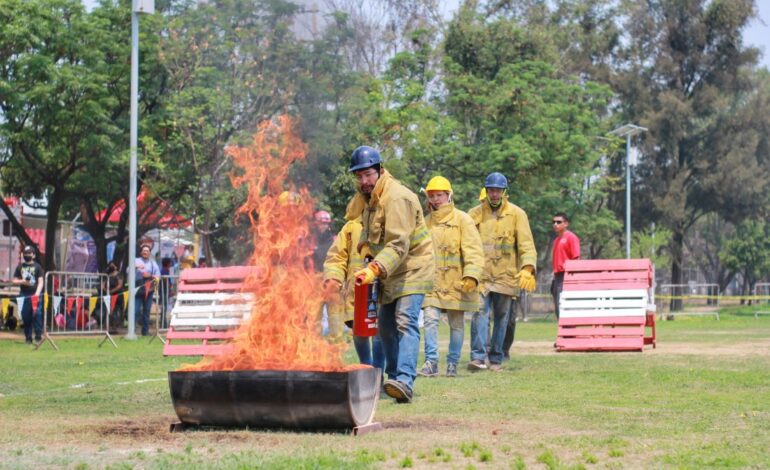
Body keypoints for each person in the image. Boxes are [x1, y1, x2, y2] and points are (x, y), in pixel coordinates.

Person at [347, 145, 434, 403]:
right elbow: (367, 233)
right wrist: (365, 251)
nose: (363, 181)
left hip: (413, 268)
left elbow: (398, 244)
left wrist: (374, 268)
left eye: (368, 175)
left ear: (380, 171)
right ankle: (395, 378)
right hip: (390, 272)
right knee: (385, 328)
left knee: (405, 321)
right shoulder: (370, 199)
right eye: (359, 176)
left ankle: (405, 380)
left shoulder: (397, 198)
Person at [468, 172, 537, 372]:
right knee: (479, 313)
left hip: (507, 276)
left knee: (502, 317)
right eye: (491, 190)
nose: (494, 194)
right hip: (482, 275)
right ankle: (478, 358)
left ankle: (496, 358)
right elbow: (467, 242)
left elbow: (526, 245)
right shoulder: (475, 213)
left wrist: (527, 268)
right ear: (486, 191)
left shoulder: (517, 214)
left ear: (504, 192)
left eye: (498, 190)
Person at [418, 176, 484, 378]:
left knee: (456, 324)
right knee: (429, 320)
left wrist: (472, 275)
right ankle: (431, 362)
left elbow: (474, 250)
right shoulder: (425, 222)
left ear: (449, 195)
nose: (436, 199)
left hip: (458, 282)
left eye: (440, 195)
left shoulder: (463, 219)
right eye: (432, 196)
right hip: (432, 282)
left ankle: (453, 363)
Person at [323, 207, 384, 368]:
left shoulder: (387, 223)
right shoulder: (351, 227)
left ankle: (378, 372)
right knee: (359, 332)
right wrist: (334, 276)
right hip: (357, 291)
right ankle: (366, 367)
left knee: (379, 333)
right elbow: (337, 256)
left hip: (382, 287)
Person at [12, 246, 44, 344]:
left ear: (33, 255)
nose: (27, 255)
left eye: (29, 253)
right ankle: (28, 338)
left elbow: (41, 282)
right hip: (24, 295)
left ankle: (38, 336)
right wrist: (23, 281)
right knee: (26, 317)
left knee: (37, 315)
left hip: (36, 294)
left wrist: (37, 294)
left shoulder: (38, 267)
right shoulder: (20, 267)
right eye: (25, 253)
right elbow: (14, 280)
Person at [551, 212, 580, 319]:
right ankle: (564, 334)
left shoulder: (571, 237)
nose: (555, 224)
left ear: (566, 223)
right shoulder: (556, 240)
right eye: (553, 222)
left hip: (566, 276)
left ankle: (569, 334)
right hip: (557, 276)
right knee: (558, 308)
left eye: (559, 222)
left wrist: (572, 278)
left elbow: (576, 258)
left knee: (564, 307)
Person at [134, 244, 160, 336]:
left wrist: (149, 275)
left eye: (147, 251)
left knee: (147, 311)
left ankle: (145, 332)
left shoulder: (153, 263)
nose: (145, 252)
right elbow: (128, 270)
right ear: (141, 252)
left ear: (149, 253)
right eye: (144, 251)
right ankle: (132, 331)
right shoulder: (135, 260)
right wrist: (136, 267)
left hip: (149, 290)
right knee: (135, 310)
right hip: (138, 289)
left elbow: (158, 275)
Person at [102, 262, 125, 331]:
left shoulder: (119, 274)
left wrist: (112, 291)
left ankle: (116, 325)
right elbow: (103, 284)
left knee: (116, 310)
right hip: (108, 295)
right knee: (108, 310)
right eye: (110, 265)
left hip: (118, 295)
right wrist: (106, 290)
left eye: (113, 265)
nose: (111, 266)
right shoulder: (107, 275)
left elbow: (120, 285)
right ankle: (108, 325)